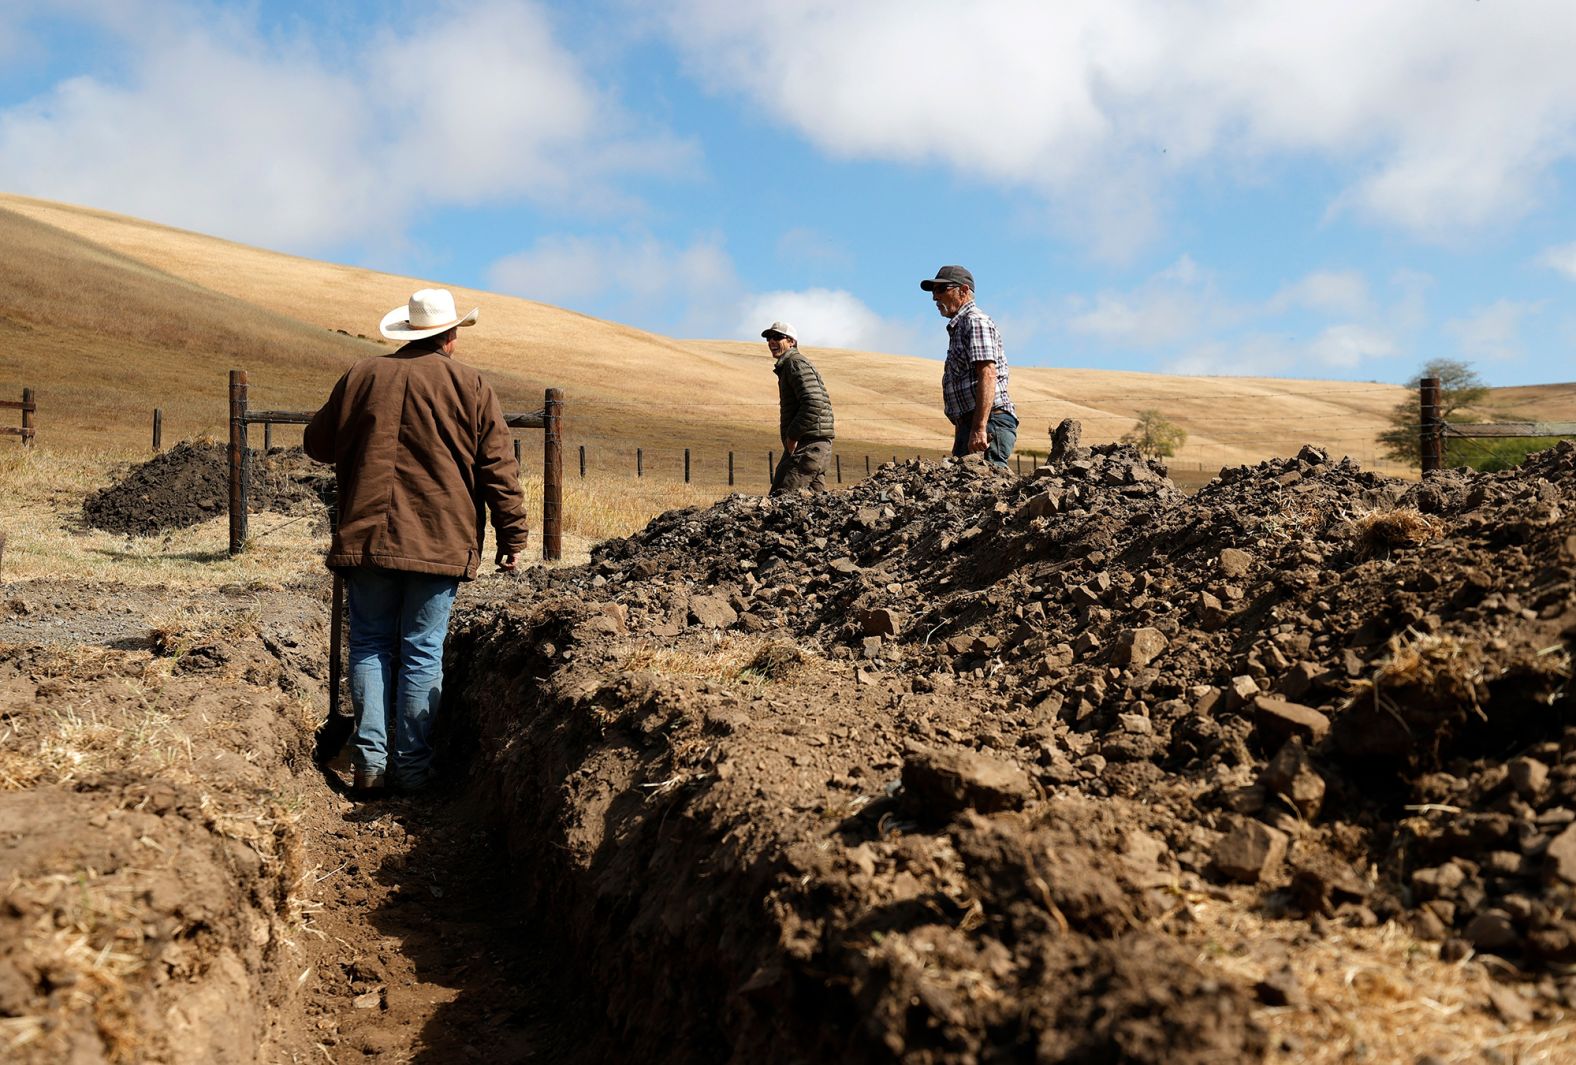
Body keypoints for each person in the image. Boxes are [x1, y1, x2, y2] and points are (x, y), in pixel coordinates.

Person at [305, 288, 530, 796]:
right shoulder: (471, 385)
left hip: (367, 537)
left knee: (369, 645)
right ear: (449, 337)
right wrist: (511, 533)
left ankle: (369, 765)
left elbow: (316, 444)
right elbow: (498, 468)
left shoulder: (361, 375)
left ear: (409, 333)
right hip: (438, 539)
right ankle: (412, 770)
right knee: (422, 651)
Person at [920, 265, 1017, 467]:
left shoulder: (975, 322)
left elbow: (988, 375)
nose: (934, 298)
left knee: (987, 486)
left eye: (941, 289)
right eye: (933, 291)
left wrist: (979, 427)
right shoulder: (960, 326)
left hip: (989, 423)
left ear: (963, 291)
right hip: (974, 423)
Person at [763, 320, 835, 494]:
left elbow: (814, 401)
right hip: (811, 443)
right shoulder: (789, 364)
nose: (772, 341)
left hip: (808, 444)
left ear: (791, 341)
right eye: (769, 338)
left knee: (781, 499)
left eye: (778, 337)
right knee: (814, 508)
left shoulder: (795, 363)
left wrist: (793, 436)